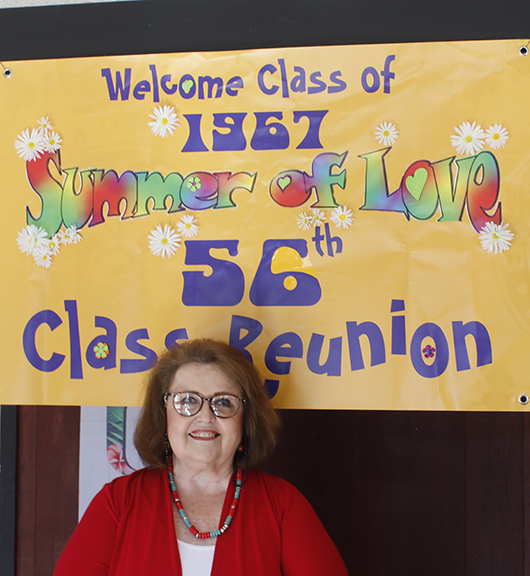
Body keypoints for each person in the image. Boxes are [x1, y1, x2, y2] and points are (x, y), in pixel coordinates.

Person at [54, 338, 349, 576]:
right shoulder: (117, 503)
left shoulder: (282, 505)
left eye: (224, 402)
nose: (205, 416)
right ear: (163, 414)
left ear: (246, 419)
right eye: (187, 401)